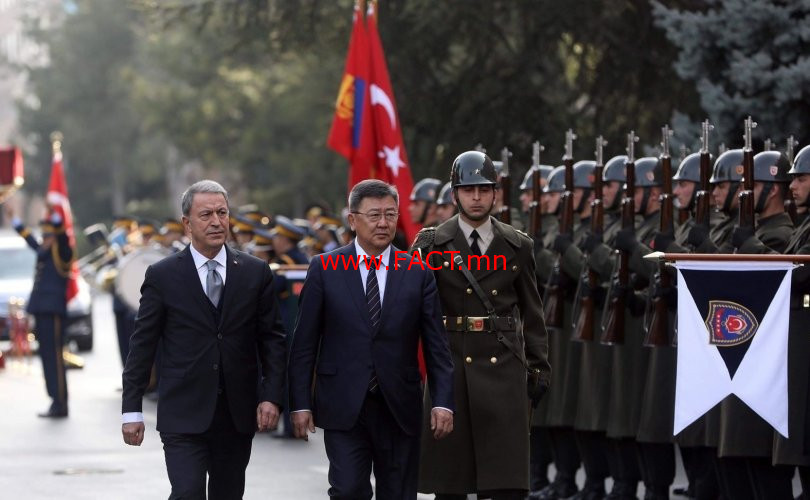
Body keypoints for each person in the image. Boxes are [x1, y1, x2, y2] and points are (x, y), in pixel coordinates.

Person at [121, 180, 287, 499]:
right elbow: (142, 345)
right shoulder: (162, 276)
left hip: (236, 414)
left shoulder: (254, 272)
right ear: (187, 223)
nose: (216, 221)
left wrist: (271, 396)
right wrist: (132, 409)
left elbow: (272, 339)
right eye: (206, 214)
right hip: (182, 412)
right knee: (187, 492)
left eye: (222, 213)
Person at [289, 179, 454, 499]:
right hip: (343, 403)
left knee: (399, 492)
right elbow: (304, 343)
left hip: (399, 405)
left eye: (390, 215)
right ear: (352, 220)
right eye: (374, 215)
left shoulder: (417, 272)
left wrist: (443, 402)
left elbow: (437, 345)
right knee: (348, 489)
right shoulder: (325, 269)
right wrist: (300, 403)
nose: (383, 223)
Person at [413, 150, 551, 499]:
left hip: (503, 368)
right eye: (468, 190)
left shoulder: (518, 245)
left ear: (495, 194)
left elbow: (533, 314)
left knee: (506, 483)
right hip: (451, 368)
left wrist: (539, 366)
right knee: (450, 485)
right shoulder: (432, 244)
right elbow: (414, 313)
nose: (476, 197)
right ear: (454, 194)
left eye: (484, 189)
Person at [8, 206, 73, 418]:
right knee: (46, 356)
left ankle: (61, 402)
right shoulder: (44, 252)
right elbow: (30, 240)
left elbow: (62, 236)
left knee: (55, 357)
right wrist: (16, 222)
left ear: (54, 237)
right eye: (43, 236)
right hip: (41, 310)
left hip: (53, 312)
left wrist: (55, 216)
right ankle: (54, 399)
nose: (44, 240)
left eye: (48, 236)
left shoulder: (62, 252)